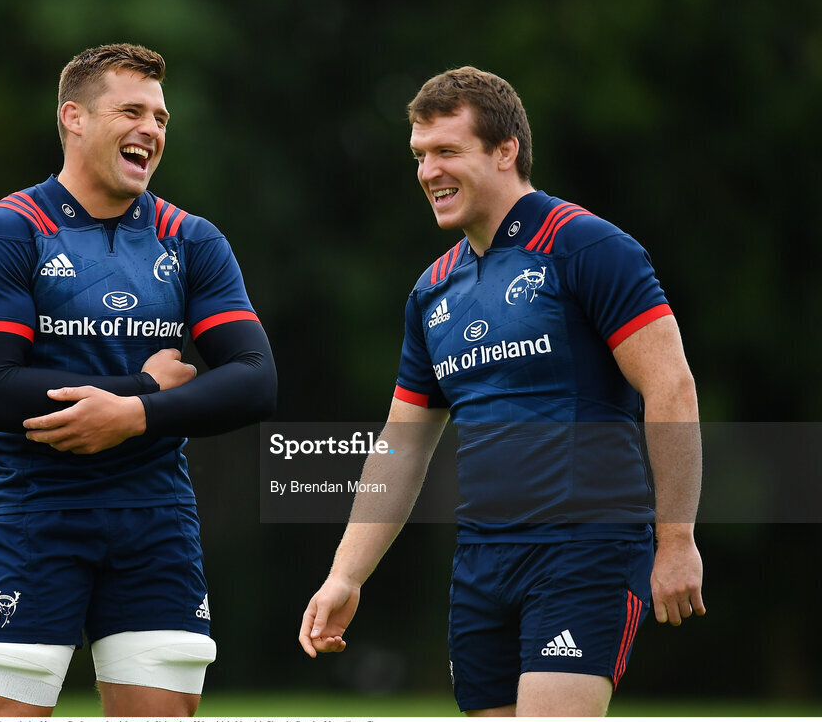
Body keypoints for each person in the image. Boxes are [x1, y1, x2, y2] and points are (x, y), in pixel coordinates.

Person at [298, 67, 704, 716]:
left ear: (505, 150)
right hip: (482, 566)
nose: (429, 171)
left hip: (586, 552)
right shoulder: (432, 290)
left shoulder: (587, 247)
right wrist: (345, 575)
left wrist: (676, 537)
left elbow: (672, 388)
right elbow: (401, 447)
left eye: (447, 151)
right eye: (420, 155)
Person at [0, 43, 276, 717]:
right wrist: (147, 387)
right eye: (132, 111)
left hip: (155, 522)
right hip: (37, 518)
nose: (152, 130)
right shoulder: (5, 233)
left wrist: (139, 414)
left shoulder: (191, 240)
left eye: (160, 118)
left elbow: (255, 380)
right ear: (73, 117)